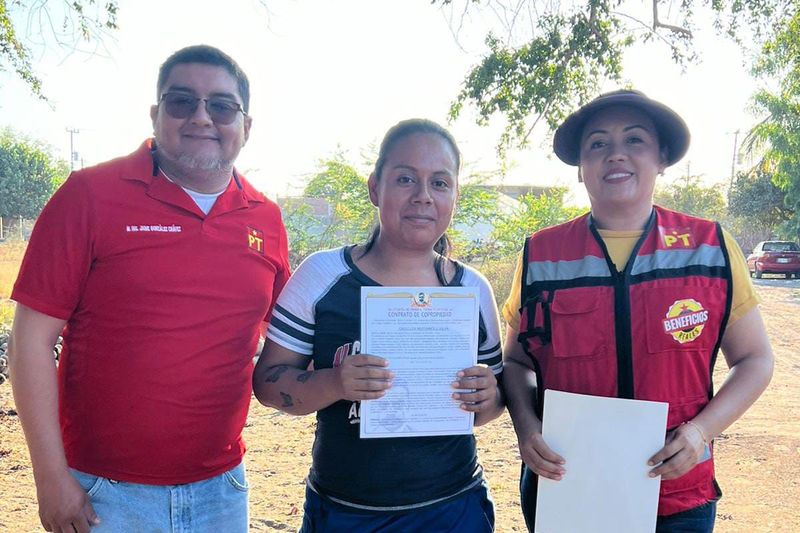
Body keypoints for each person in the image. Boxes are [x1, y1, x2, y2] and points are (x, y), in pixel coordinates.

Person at [9, 45, 290, 533]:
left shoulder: (266, 219)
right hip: (102, 494)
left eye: (221, 106)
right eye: (182, 101)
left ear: (246, 125)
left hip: (221, 491)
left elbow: (290, 339)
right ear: (156, 114)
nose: (202, 117)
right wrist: (51, 480)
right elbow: (29, 341)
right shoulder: (89, 195)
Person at [501, 90, 774, 532]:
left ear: (662, 157)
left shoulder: (709, 248)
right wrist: (527, 428)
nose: (616, 155)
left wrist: (701, 432)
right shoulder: (541, 253)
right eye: (598, 144)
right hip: (569, 487)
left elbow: (756, 360)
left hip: (678, 493)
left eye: (634, 140)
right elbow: (515, 362)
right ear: (580, 168)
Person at [253, 119, 504, 532]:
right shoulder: (322, 275)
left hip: (452, 508)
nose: (423, 196)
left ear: (455, 195)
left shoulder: (470, 289)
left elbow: (489, 408)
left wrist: (485, 397)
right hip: (345, 512)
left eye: (440, 183)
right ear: (375, 187)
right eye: (406, 178)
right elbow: (267, 385)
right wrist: (335, 383)